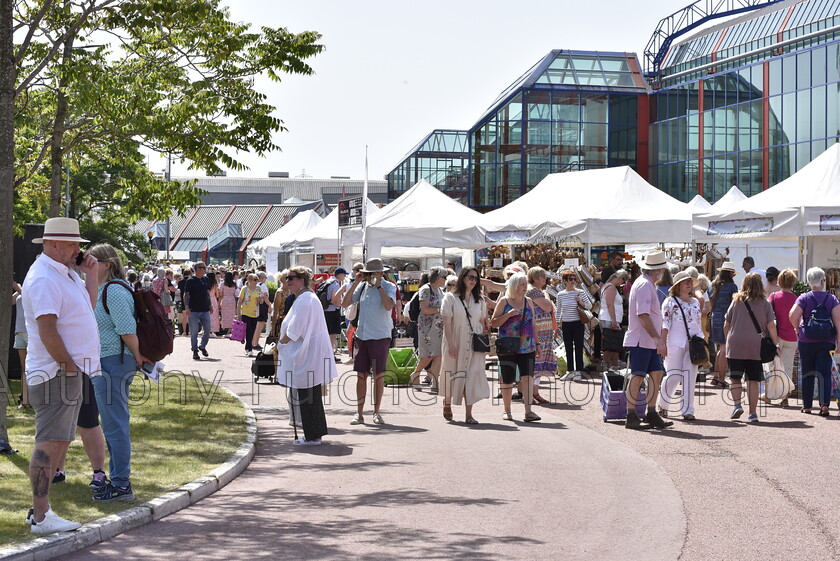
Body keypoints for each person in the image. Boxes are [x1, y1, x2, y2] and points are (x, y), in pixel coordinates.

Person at [21, 217, 100, 534]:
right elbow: (48, 330)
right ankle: (41, 517)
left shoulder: (64, 273)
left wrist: (91, 274)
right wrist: (68, 366)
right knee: (47, 444)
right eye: (72, 244)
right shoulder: (44, 279)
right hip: (56, 372)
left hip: (66, 371)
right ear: (53, 244)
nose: (78, 250)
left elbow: (86, 309)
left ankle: (40, 511)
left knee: (57, 441)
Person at [88, 243, 152, 501]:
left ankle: (122, 484)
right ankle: (118, 479)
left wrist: (138, 357)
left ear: (108, 264)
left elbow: (126, 329)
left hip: (114, 362)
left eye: (91, 261)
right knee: (112, 421)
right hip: (108, 361)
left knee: (115, 423)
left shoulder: (113, 291)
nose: (86, 267)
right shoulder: (104, 288)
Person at [276, 267, 338, 445]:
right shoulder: (307, 298)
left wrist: (282, 343)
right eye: (287, 278)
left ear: (301, 280)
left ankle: (312, 436)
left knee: (307, 394)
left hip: (307, 353)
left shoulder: (305, 300)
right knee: (310, 394)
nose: (288, 281)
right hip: (309, 352)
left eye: (292, 278)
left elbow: (295, 330)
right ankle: (314, 434)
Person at [341, 258, 397, 425]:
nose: (370, 276)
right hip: (362, 336)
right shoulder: (362, 286)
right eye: (367, 273)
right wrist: (356, 281)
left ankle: (376, 412)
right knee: (361, 375)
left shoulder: (389, 286)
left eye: (373, 273)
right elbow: (344, 303)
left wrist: (379, 285)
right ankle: (359, 413)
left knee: (378, 375)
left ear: (380, 273)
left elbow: (388, 306)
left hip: (380, 336)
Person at [623, 250, 673, 430]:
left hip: (646, 340)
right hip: (641, 340)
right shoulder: (645, 285)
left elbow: (645, 315)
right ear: (659, 270)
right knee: (638, 375)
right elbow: (643, 315)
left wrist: (656, 339)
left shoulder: (646, 283)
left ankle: (650, 412)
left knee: (656, 374)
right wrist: (658, 338)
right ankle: (632, 414)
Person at [725, 272, 780, 422]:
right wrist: (776, 344)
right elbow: (771, 325)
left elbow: (727, 324)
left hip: (736, 344)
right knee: (753, 380)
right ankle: (753, 413)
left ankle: (737, 405)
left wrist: (728, 339)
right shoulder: (765, 303)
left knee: (735, 378)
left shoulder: (736, 301)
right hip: (755, 345)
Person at [440, 267, 490, 423]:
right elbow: (447, 324)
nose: (473, 281)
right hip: (455, 340)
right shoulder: (450, 298)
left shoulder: (480, 300)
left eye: (476, 278)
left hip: (474, 344)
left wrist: (485, 330)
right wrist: (450, 344)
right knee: (451, 371)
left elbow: (482, 321)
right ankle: (447, 402)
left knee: (472, 375)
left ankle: (469, 414)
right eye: (470, 277)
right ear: (462, 278)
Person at [788, 267, 840, 416]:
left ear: (809, 282)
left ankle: (807, 406)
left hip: (807, 340)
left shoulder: (804, 298)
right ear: (823, 281)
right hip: (826, 340)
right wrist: (839, 341)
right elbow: (838, 320)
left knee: (807, 373)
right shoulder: (831, 299)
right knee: (824, 373)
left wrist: (798, 330)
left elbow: (792, 315)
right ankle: (824, 405)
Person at [490, 272, 540, 422]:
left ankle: (528, 411)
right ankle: (507, 411)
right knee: (507, 379)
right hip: (508, 346)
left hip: (527, 346)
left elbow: (533, 325)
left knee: (528, 378)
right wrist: (508, 315)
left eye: (526, 284)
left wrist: (537, 344)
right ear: (514, 286)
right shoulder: (504, 301)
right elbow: (493, 323)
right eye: (522, 284)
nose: (526, 287)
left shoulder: (529, 301)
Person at [658, 271, 704, 420]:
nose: (689, 284)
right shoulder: (669, 302)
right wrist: (662, 343)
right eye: (686, 282)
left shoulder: (695, 302)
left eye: (690, 282)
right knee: (674, 376)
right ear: (677, 285)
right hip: (674, 342)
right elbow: (665, 323)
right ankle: (663, 404)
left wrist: (701, 340)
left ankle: (688, 410)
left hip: (693, 343)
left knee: (690, 376)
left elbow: (697, 323)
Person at [762, 268, 799, 406]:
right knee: (787, 367)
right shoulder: (797, 299)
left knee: (771, 366)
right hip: (791, 337)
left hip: (775, 337)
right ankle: (785, 397)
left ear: (779, 281)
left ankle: (769, 395)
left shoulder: (773, 297)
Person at [409, 267, 447, 391]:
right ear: (437, 278)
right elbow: (425, 309)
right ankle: (416, 373)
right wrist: (440, 310)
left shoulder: (440, 291)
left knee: (438, 354)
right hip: (427, 327)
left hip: (439, 327)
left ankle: (435, 382)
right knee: (428, 355)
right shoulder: (425, 289)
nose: (445, 279)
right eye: (444, 277)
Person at [555, 269, 592, 382]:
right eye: (570, 279)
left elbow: (589, 306)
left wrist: (581, 302)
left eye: (574, 278)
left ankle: (578, 372)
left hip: (578, 323)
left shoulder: (580, 292)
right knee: (568, 347)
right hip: (566, 323)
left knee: (579, 347)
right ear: (564, 281)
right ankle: (569, 371)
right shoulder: (560, 295)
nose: (573, 281)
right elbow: (558, 310)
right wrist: (556, 326)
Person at [526, 266, 556, 404]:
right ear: (535, 278)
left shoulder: (537, 291)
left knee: (538, 362)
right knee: (537, 361)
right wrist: (549, 300)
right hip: (538, 331)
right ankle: (532, 393)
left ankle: (534, 392)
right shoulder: (533, 291)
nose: (545, 278)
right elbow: (548, 307)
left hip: (542, 331)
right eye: (542, 276)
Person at [708, 262, 739, 388]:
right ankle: (721, 378)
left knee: (719, 348)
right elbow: (735, 305)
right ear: (731, 273)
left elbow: (710, 303)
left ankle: (716, 377)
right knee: (724, 348)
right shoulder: (732, 287)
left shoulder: (712, 285)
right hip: (726, 318)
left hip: (715, 317)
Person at [599, 270, 630, 370]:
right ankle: (610, 365)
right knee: (611, 344)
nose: (623, 283)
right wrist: (613, 320)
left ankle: (610, 365)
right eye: (623, 280)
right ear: (619, 278)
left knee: (610, 344)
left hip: (609, 318)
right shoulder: (611, 288)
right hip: (609, 318)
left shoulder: (608, 286)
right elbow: (610, 304)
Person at [183, 262, 212, 360]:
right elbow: (186, 294)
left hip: (205, 309)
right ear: (198, 269)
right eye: (203, 268)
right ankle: (195, 350)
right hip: (193, 310)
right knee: (194, 331)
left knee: (207, 329)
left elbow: (207, 293)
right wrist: (186, 307)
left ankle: (202, 346)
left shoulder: (205, 279)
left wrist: (210, 304)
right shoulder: (190, 280)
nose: (205, 269)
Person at [236, 274, 267, 357]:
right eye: (255, 279)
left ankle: (247, 347)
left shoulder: (258, 288)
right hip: (245, 312)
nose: (256, 281)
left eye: (257, 279)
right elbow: (239, 302)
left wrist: (260, 300)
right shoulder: (244, 289)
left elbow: (261, 301)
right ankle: (249, 349)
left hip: (255, 313)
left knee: (252, 331)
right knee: (248, 331)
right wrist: (238, 314)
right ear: (249, 280)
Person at [323, 267, 348, 361]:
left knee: (326, 333)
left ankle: (326, 354)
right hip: (333, 311)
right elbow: (334, 300)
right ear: (339, 274)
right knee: (332, 335)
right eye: (344, 274)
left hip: (325, 310)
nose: (345, 276)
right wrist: (343, 304)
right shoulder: (336, 284)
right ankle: (330, 354)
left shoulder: (328, 281)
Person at [13, 281, 30, 409]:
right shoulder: (19, 291)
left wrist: (16, 286)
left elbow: (27, 296)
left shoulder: (28, 290)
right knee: (23, 368)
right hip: (19, 333)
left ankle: (36, 400)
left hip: (30, 333)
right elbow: (9, 301)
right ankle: (25, 401)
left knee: (33, 367)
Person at [251, 272, 272, 351]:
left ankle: (253, 342)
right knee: (260, 326)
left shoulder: (253, 285)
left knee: (256, 325)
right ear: (262, 278)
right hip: (262, 306)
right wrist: (270, 305)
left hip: (255, 306)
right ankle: (255, 343)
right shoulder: (263, 286)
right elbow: (265, 297)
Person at [219, 271, 238, 335]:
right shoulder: (234, 284)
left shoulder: (222, 284)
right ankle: (230, 330)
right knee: (232, 315)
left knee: (225, 315)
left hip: (225, 300)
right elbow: (236, 293)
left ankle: (227, 330)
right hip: (232, 300)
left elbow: (221, 294)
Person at [177, 268, 192, 336]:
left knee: (184, 317)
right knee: (191, 317)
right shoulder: (191, 281)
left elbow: (179, 291)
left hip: (183, 299)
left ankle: (184, 331)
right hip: (191, 299)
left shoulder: (180, 282)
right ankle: (190, 331)